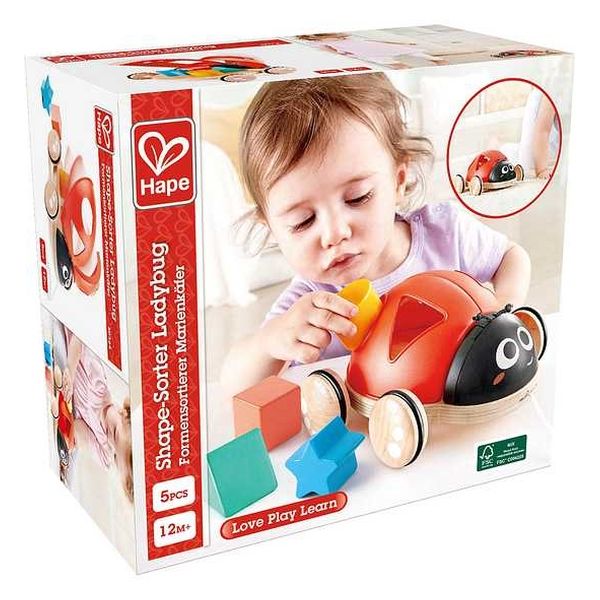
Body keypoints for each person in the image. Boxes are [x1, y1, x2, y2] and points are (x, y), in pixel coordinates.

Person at [222, 73, 531, 396]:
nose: (335, 233)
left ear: (398, 180)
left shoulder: (445, 234)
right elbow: (235, 386)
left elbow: (512, 257)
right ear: (271, 227)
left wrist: (503, 310)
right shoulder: (311, 304)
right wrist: (268, 343)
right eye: (303, 221)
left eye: (358, 197)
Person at [62, 333, 133, 502]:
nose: (110, 440)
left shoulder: (103, 453)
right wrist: (70, 371)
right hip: (67, 347)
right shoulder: (98, 385)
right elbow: (78, 338)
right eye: (115, 432)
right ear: (124, 413)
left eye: (115, 458)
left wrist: (74, 440)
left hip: (61, 392)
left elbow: (77, 427)